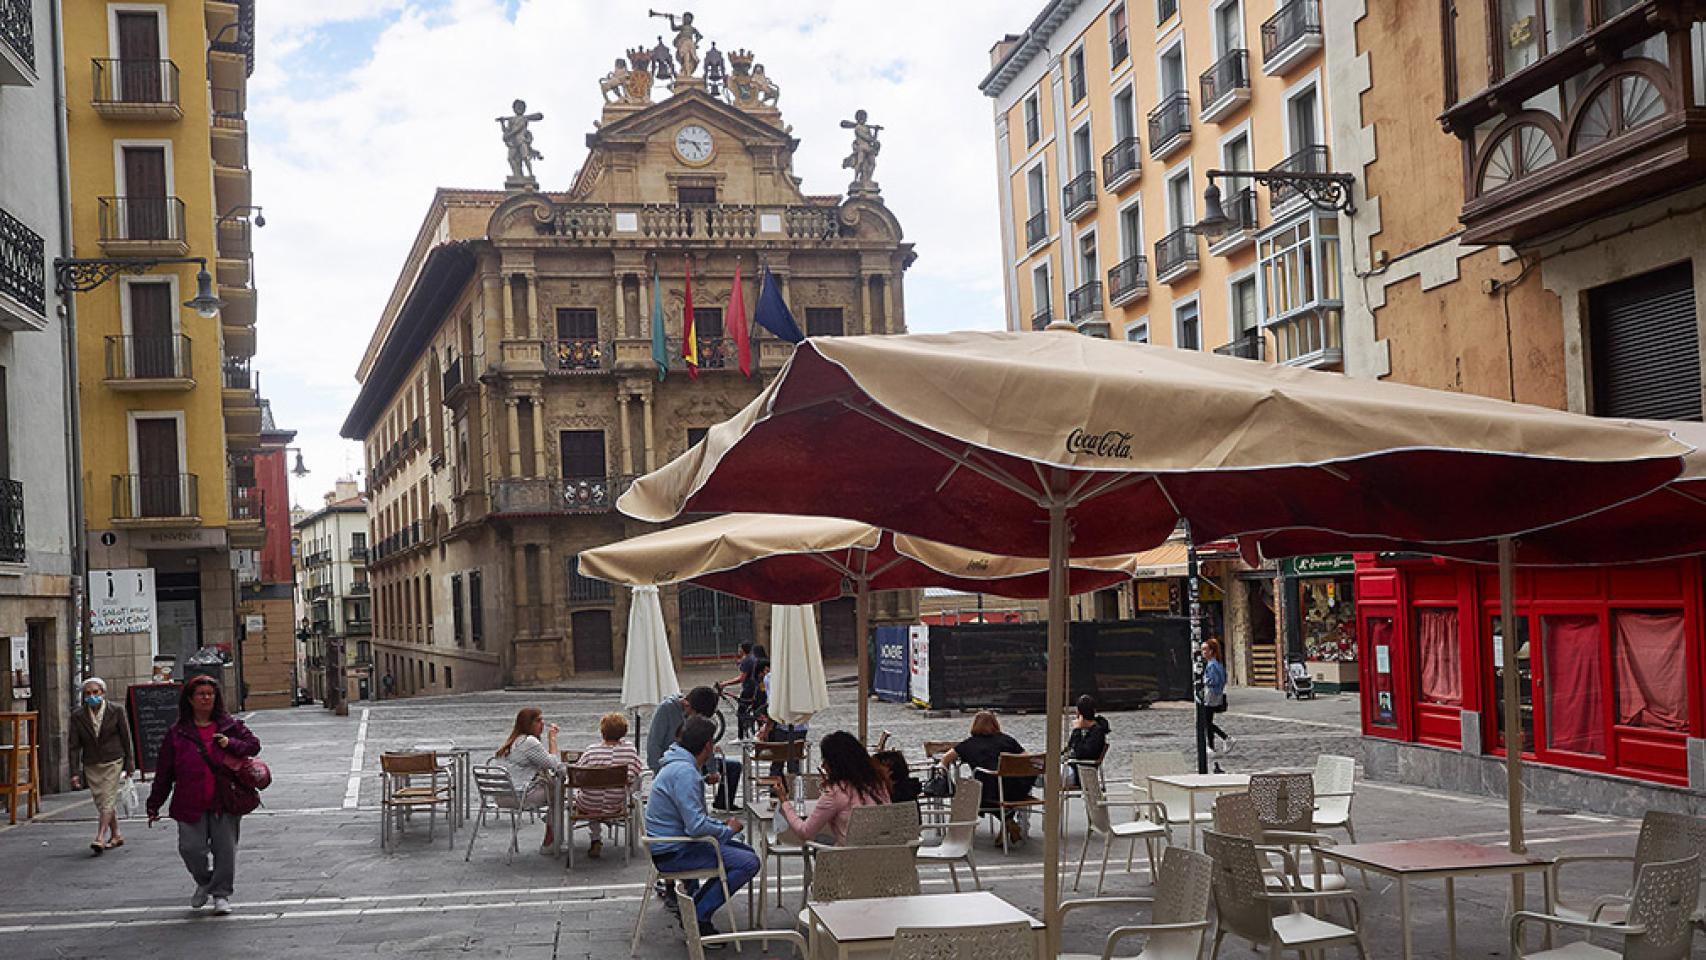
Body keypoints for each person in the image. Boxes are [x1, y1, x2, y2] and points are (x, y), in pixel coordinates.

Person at [145, 676, 261, 916]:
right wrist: (154, 804)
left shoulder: (229, 726)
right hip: (190, 801)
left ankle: (221, 895)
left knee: (225, 850)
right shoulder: (177, 733)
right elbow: (165, 772)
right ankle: (205, 881)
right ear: (190, 699)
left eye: (210, 693)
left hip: (224, 799)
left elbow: (253, 745)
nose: (206, 698)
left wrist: (231, 744)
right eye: (201, 694)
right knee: (191, 849)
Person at [644, 717, 759, 939]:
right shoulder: (685, 772)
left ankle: (696, 908)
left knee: (746, 853)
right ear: (707, 746)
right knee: (748, 862)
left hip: (669, 845)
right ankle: (698, 915)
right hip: (673, 851)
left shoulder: (678, 765)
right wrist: (727, 830)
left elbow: (694, 820)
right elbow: (696, 826)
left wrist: (720, 827)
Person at [779, 731, 890, 846]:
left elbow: (805, 832)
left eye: (825, 760)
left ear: (834, 764)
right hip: (882, 855)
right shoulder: (878, 784)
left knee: (819, 838)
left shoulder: (836, 793)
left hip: (848, 857)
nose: (823, 766)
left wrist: (784, 802)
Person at [941, 710, 1033, 846]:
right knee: (994, 790)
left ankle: (1008, 822)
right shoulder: (1007, 740)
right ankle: (1007, 822)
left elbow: (945, 759)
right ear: (995, 724)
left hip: (986, 791)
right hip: (1015, 789)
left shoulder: (969, 744)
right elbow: (1027, 758)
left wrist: (945, 773)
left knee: (973, 794)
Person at [645, 686, 742, 811]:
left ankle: (722, 803)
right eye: (695, 715)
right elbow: (654, 744)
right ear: (687, 705)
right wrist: (659, 772)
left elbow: (707, 744)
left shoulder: (699, 716)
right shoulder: (666, 709)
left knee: (733, 766)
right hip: (672, 767)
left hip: (694, 763)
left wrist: (713, 770)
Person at [68, 677, 136, 854]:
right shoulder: (77, 716)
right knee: (103, 801)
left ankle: (100, 836)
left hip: (113, 760)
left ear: (103, 693)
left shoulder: (117, 711)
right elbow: (74, 746)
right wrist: (74, 772)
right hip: (92, 763)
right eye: (88, 693)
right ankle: (116, 834)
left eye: (95, 692)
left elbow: (126, 738)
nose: (92, 696)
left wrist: (130, 763)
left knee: (107, 798)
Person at [572, 712, 642, 859]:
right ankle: (609, 821)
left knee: (588, 796)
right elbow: (636, 772)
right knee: (606, 795)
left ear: (602, 732)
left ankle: (595, 839)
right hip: (616, 802)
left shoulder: (592, 751)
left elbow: (576, 774)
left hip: (589, 803)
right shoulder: (630, 750)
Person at [494, 707, 564, 852]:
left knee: (553, 788)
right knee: (559, 789)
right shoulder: (529, 742)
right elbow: (556, 765)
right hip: (518, 797)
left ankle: (552, 833)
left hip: (501, 795)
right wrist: (552, 739)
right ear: (528, 723)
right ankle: (551, 840)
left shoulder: (513, 741)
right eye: (538, 720)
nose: (542, 724)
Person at [1064, 694, 1111, 788]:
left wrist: (1077, 731)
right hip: (1069, 767)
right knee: (1037, 770)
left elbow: (1081, 754)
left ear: (1079, 714)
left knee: (1042, 774)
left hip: (1078, 773)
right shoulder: (1083, 730)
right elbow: (1069, 748)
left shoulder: (1097, 733)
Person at [1199, 638, 1233, 756]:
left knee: (1206, 721)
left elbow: (1215, 680)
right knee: (1207, 721)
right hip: (1215, 694)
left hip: (1211, 694)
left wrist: (1205, 680)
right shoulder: (1217, 664)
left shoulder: (1212, 665)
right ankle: (1212, 746)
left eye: (1205, 649)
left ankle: (1224, 739)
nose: (1203, 652)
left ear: (1211, 651)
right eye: (1202, 649)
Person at [716, 641, 757, 739]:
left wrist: (725, 683)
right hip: (754, 688)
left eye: (739, 648)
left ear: (742, 650)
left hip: (748, 689)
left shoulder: (747, 660)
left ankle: (740, 737)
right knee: (747, 710)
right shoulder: (751, 658)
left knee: (741, 713)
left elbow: (741, 678)